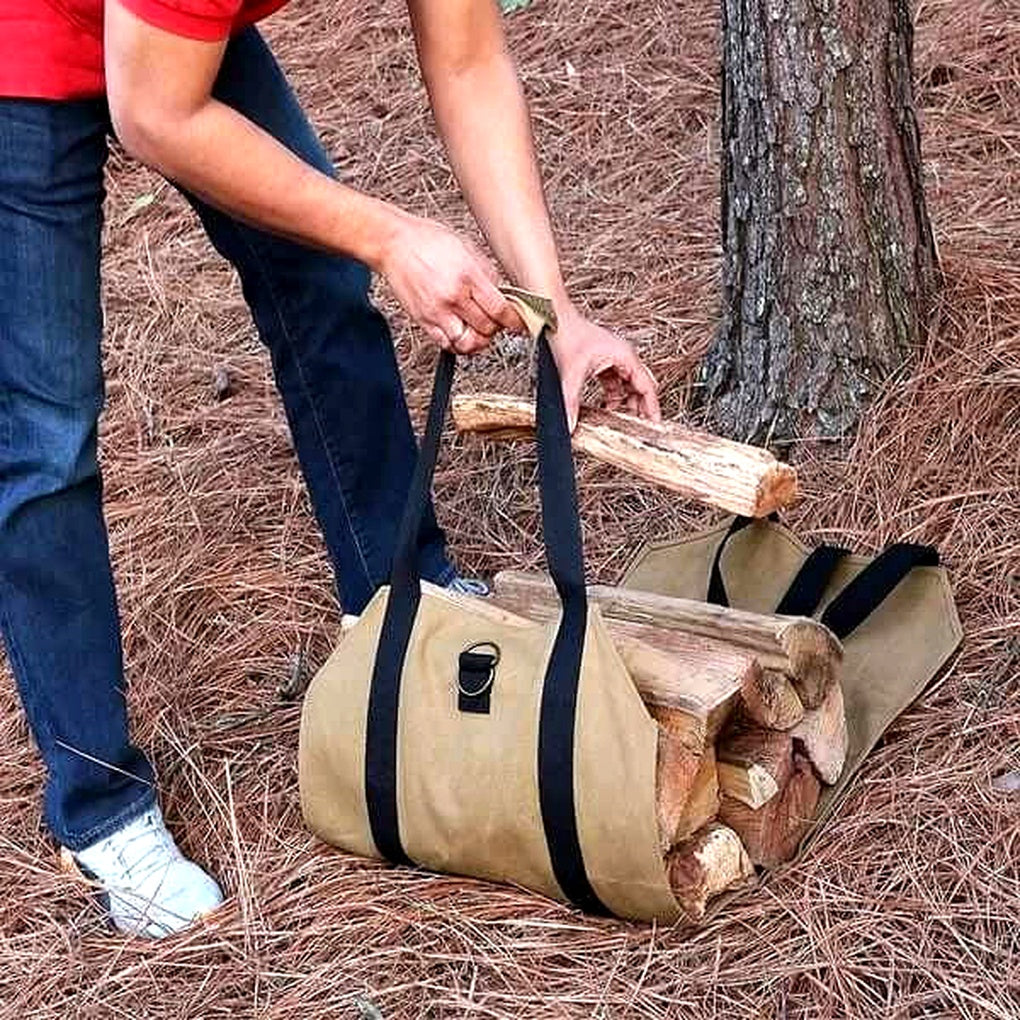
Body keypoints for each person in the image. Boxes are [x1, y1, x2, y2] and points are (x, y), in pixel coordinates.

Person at [0, 0, 661, 938]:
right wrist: (389, 235)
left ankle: (401, 604)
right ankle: (100, 807)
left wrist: (558, 318)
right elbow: (153, 113)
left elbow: (469, 63)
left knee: (322, 283)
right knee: (47, 433)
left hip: (168, 39)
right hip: (22, 47)